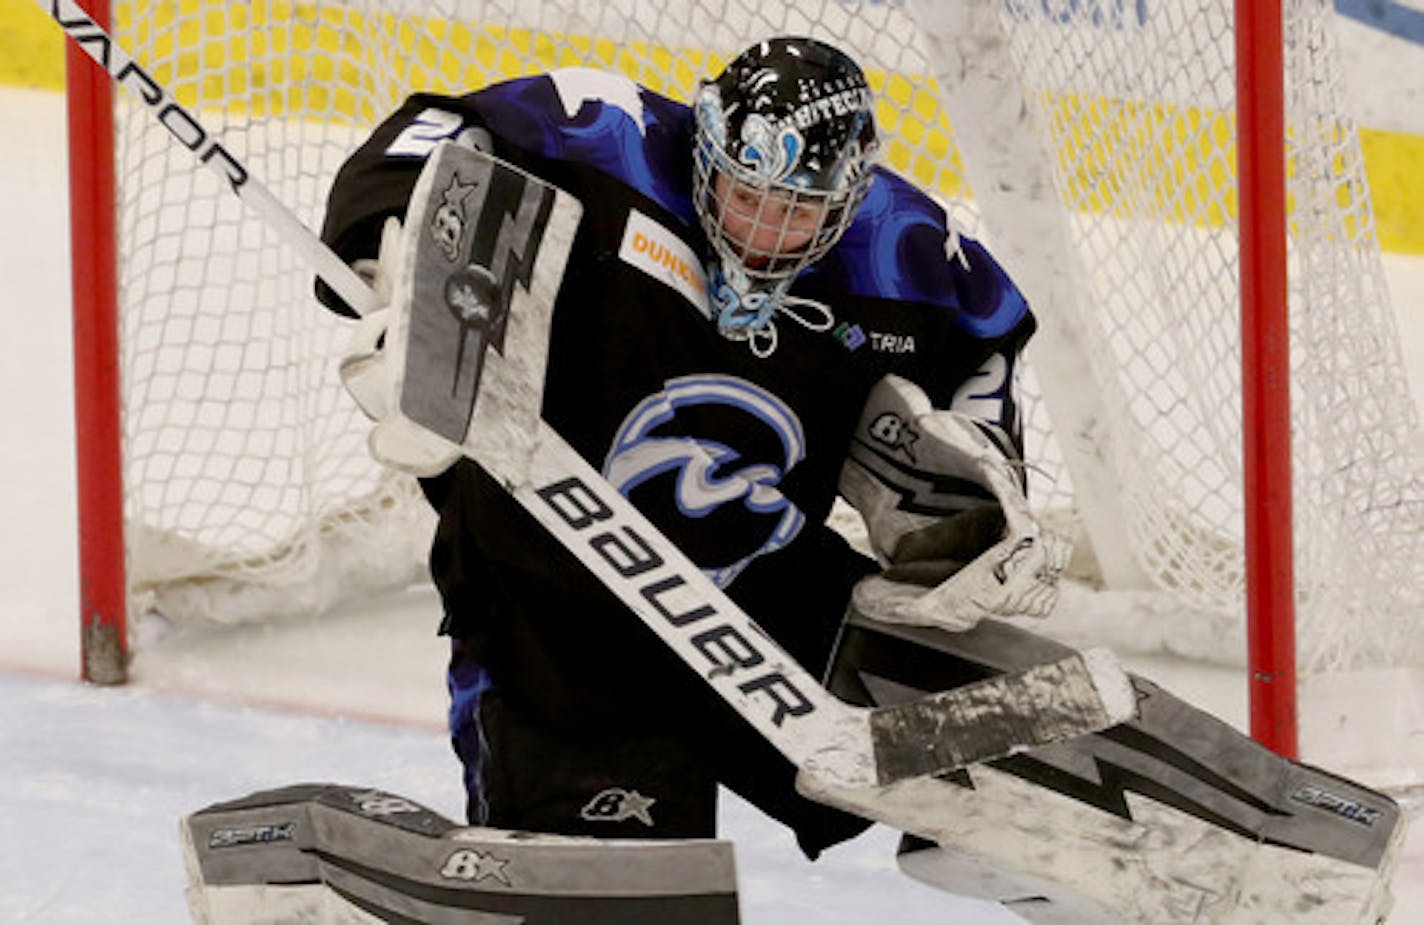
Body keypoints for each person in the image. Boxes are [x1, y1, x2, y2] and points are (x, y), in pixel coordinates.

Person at [317, 36, 1066, 861]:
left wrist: (986, 491)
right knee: (630, 892)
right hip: (554, 610)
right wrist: (396, 277)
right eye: (747, 194)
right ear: (705, 146)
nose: (765, 232)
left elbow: (988, 334)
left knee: (1027, 772)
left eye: (800, 208)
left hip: (764, 594)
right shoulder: (605, 132)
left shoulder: (901, 248)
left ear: (849, 196)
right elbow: (431, 130)